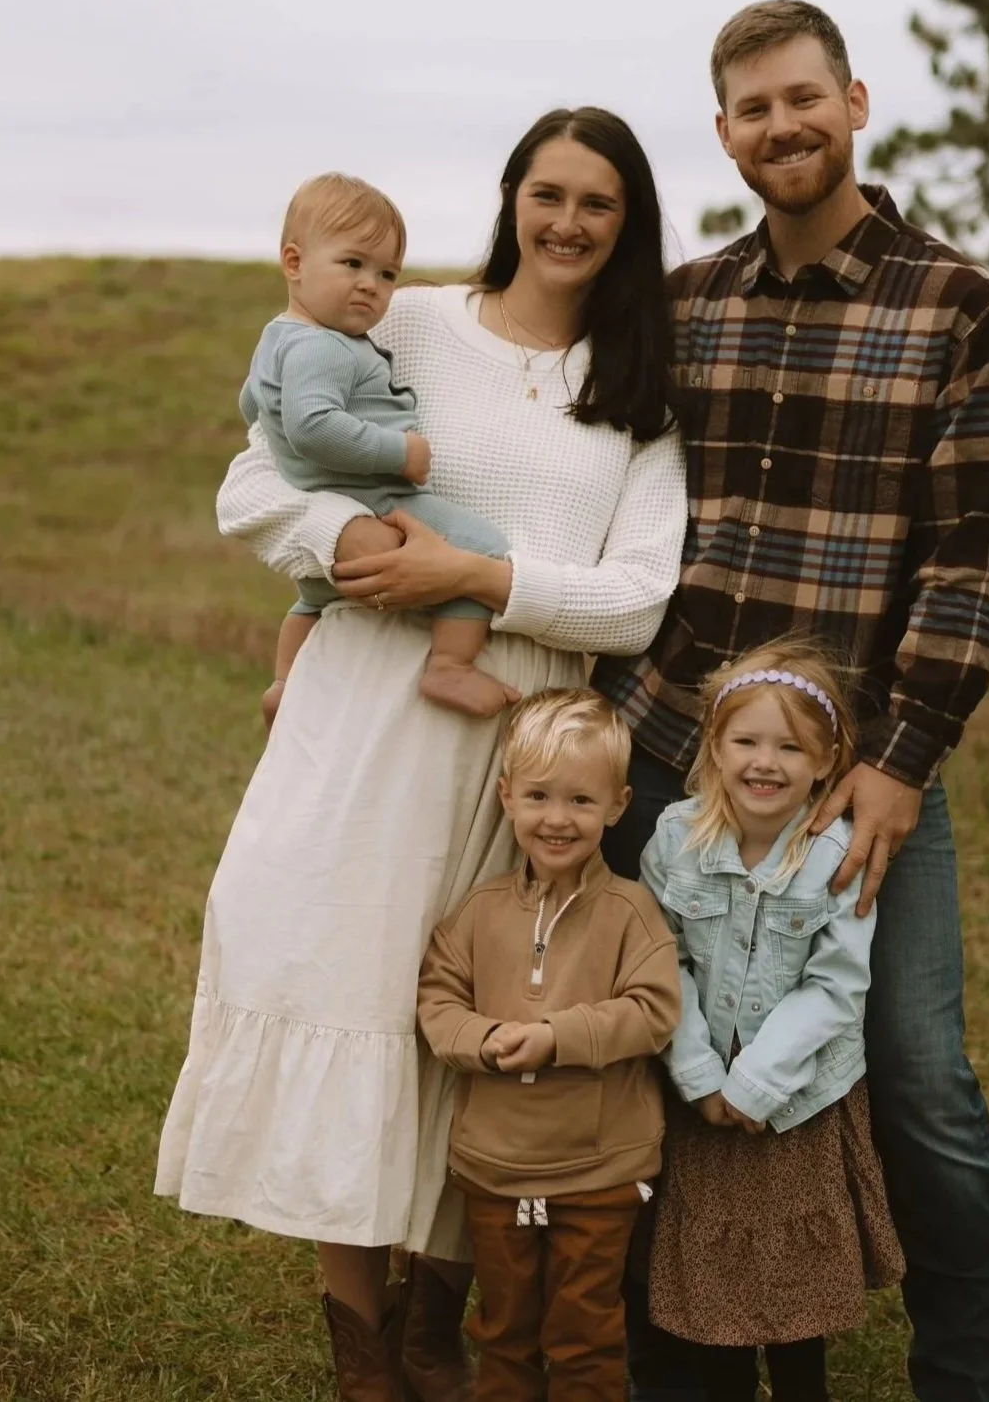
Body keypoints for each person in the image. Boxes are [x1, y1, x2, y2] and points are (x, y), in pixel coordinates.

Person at [155, 108, 688, 1402]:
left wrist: (482, 577)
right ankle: (361, 1344)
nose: (567, 222)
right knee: (353, 988)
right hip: (370, 716)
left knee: (488, 1012)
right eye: (547, 193)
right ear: (511, 199)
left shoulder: (637, 390)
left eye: (598, 202)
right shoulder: (407, 322)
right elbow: (255, 485)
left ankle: (440, 1321)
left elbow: (633, 601)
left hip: (521, 738)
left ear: (628, 225)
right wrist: (357, 549)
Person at [596, 0, 989, 1402]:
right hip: (668, 749)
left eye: (802, 97)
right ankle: (680, 1346)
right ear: (724, 133)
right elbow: (590, 487)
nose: (780, 126)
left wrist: (902, 761)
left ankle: (962, 1369)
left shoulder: (958, 307)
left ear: (854, 101)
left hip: (857, 773)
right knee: (652, 1050)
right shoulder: (686, 304)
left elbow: (969, 564)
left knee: (912, 1072)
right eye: (752, 108)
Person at [638, 638, 904, 1402]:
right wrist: (700, 1076)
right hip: (702, 1095)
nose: (765, 762)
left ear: (825, 761)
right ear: (714, 747)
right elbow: (659, 962)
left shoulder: (836, 856)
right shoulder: (675, 839)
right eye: (746, 741)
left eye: (790, 747)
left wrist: (754, 1084)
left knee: (794, 1275)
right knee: (715, 1270)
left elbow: (835, 986)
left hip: (797, 1102)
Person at [417, 688, 681, 1402]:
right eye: (537, 796)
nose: (557, 819)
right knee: (503, 1329)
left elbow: (654, 1010)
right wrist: (484, 1039)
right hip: (495, 1167)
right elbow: (437, 999)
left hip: (599, 1171)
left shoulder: (631, 911)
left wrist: (556, 1038)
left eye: (581, 801)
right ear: (506, 795)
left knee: (584, 1332)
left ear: (618, 806)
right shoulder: (479, 912)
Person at [241, 171, 516, 724]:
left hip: (324, 522)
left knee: (312, 600)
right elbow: (313, 427)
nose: (371, 284)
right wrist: (401, 453)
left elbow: (252, 404)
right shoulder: (325, 347)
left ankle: (285, 681)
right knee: (483, 550)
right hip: (376, 500)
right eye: (353, 264)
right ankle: (450, 665)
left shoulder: (276, 338)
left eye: (387, 273)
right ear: (294, 263)